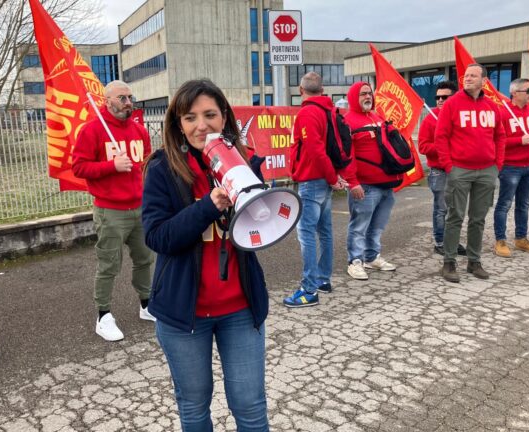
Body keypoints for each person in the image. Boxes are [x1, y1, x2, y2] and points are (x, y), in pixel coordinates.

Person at [142, 79, 269, 431]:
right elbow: (157, 236)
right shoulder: (161, 170)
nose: (202, 125)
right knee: (195, 408)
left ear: (224, 116)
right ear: (178, 125)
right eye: (190, 117)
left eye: (210, 114)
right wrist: (207, 207)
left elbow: (260, 232)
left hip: (240, 310)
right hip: (185, 315)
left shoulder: (246, 162)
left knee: (251, 407)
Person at [72, 80, 155, 342]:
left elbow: (147, 164)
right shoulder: (92, 130)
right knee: (109, 264)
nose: (128, 103)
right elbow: (79, 168)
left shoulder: (139, 131)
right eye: (122, 98)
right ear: (107, 101)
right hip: (110, 211)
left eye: (130, 97)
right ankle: (103, 315)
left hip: (140, 208)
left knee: (145, 259)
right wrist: (111, 166)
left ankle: (146, 304)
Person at [434, 64, 505, 283]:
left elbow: (500, 136)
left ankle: (474, 261)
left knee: (478, 218)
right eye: (466, 76)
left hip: (486, 171)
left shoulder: (492, 107)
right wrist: (449, 166)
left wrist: (497, 165)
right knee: (454, 216)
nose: (467, 79)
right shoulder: (452, 104)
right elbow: (441, 136)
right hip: (459, 170)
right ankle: (449, 262)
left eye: (473, 76)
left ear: (484, 80)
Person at [284, 71, 346, 307]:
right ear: (322, 91)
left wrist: (331, 178)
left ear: (301, 91)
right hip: (323, 180)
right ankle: (323, 279)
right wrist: (333, 177)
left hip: (313, 180)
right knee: (325, 230)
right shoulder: (329, 111)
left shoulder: (307, 113)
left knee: (306, 233)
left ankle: (309, 289)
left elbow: (315, 151)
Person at [340, 81, 398, 280]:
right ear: (353, 97)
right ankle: (354, 261)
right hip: (364, 185)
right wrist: (353, 182)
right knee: (359, 226)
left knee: (378, 225)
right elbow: (347, 155)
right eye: (363, 94)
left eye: (369, 93)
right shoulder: (347, 122)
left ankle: (371, 257)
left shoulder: (377, 117)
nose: (368, 97)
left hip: (386, 184)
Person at [493, 78, 529, 257]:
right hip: (510, 166)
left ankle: (521, 239)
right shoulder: (502, 112)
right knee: (504, 204)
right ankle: (500, 240)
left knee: (524, 204)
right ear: (514, 93)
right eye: (527, 90)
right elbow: (495, 141)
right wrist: (519, 141)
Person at [417, 80, 466, 256]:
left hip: (460, 170)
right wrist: (443, 146)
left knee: (457, 209)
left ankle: (452, 241)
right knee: (441, 209)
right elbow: (422, 147)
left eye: (445, 97)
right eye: (437, 97)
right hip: (440, 172)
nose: (439, 100)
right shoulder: (431, 118)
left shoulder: (461, 116)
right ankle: (440, 242)